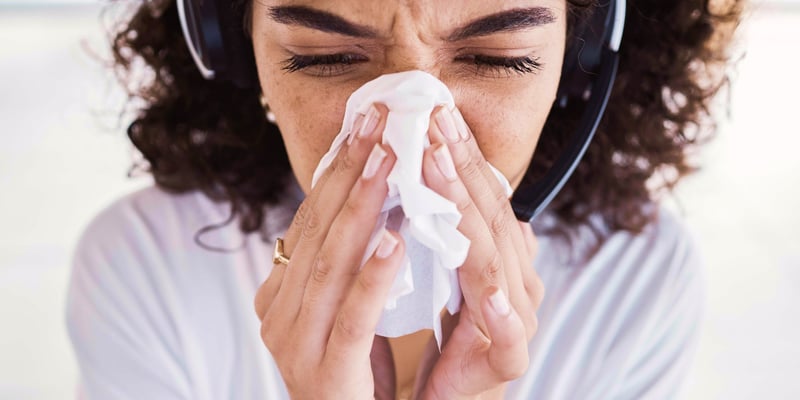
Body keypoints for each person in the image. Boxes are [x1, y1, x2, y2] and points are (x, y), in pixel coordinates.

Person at [66, 0, 742, 399]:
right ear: (235, 49)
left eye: (499, 58)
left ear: (577, 59)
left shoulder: (635, 278)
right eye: (324, 56)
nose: (410, 130)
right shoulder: (143, 267)